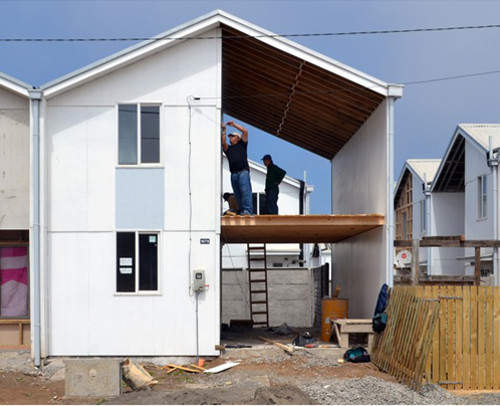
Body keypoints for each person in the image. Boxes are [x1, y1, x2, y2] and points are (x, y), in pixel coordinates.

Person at [222, 121, 253, 215]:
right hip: (234, 174)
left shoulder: (242, 145)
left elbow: (245, 131)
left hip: (243, 172)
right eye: (230, 136)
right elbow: (223, 142)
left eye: (233, 136)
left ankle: (248, 210)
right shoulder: (229, 149)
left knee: (245, 191)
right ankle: (242, 210)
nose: (230, 138)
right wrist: (224, 130)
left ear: (238, 139)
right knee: (238, 194)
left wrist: (234, 125)